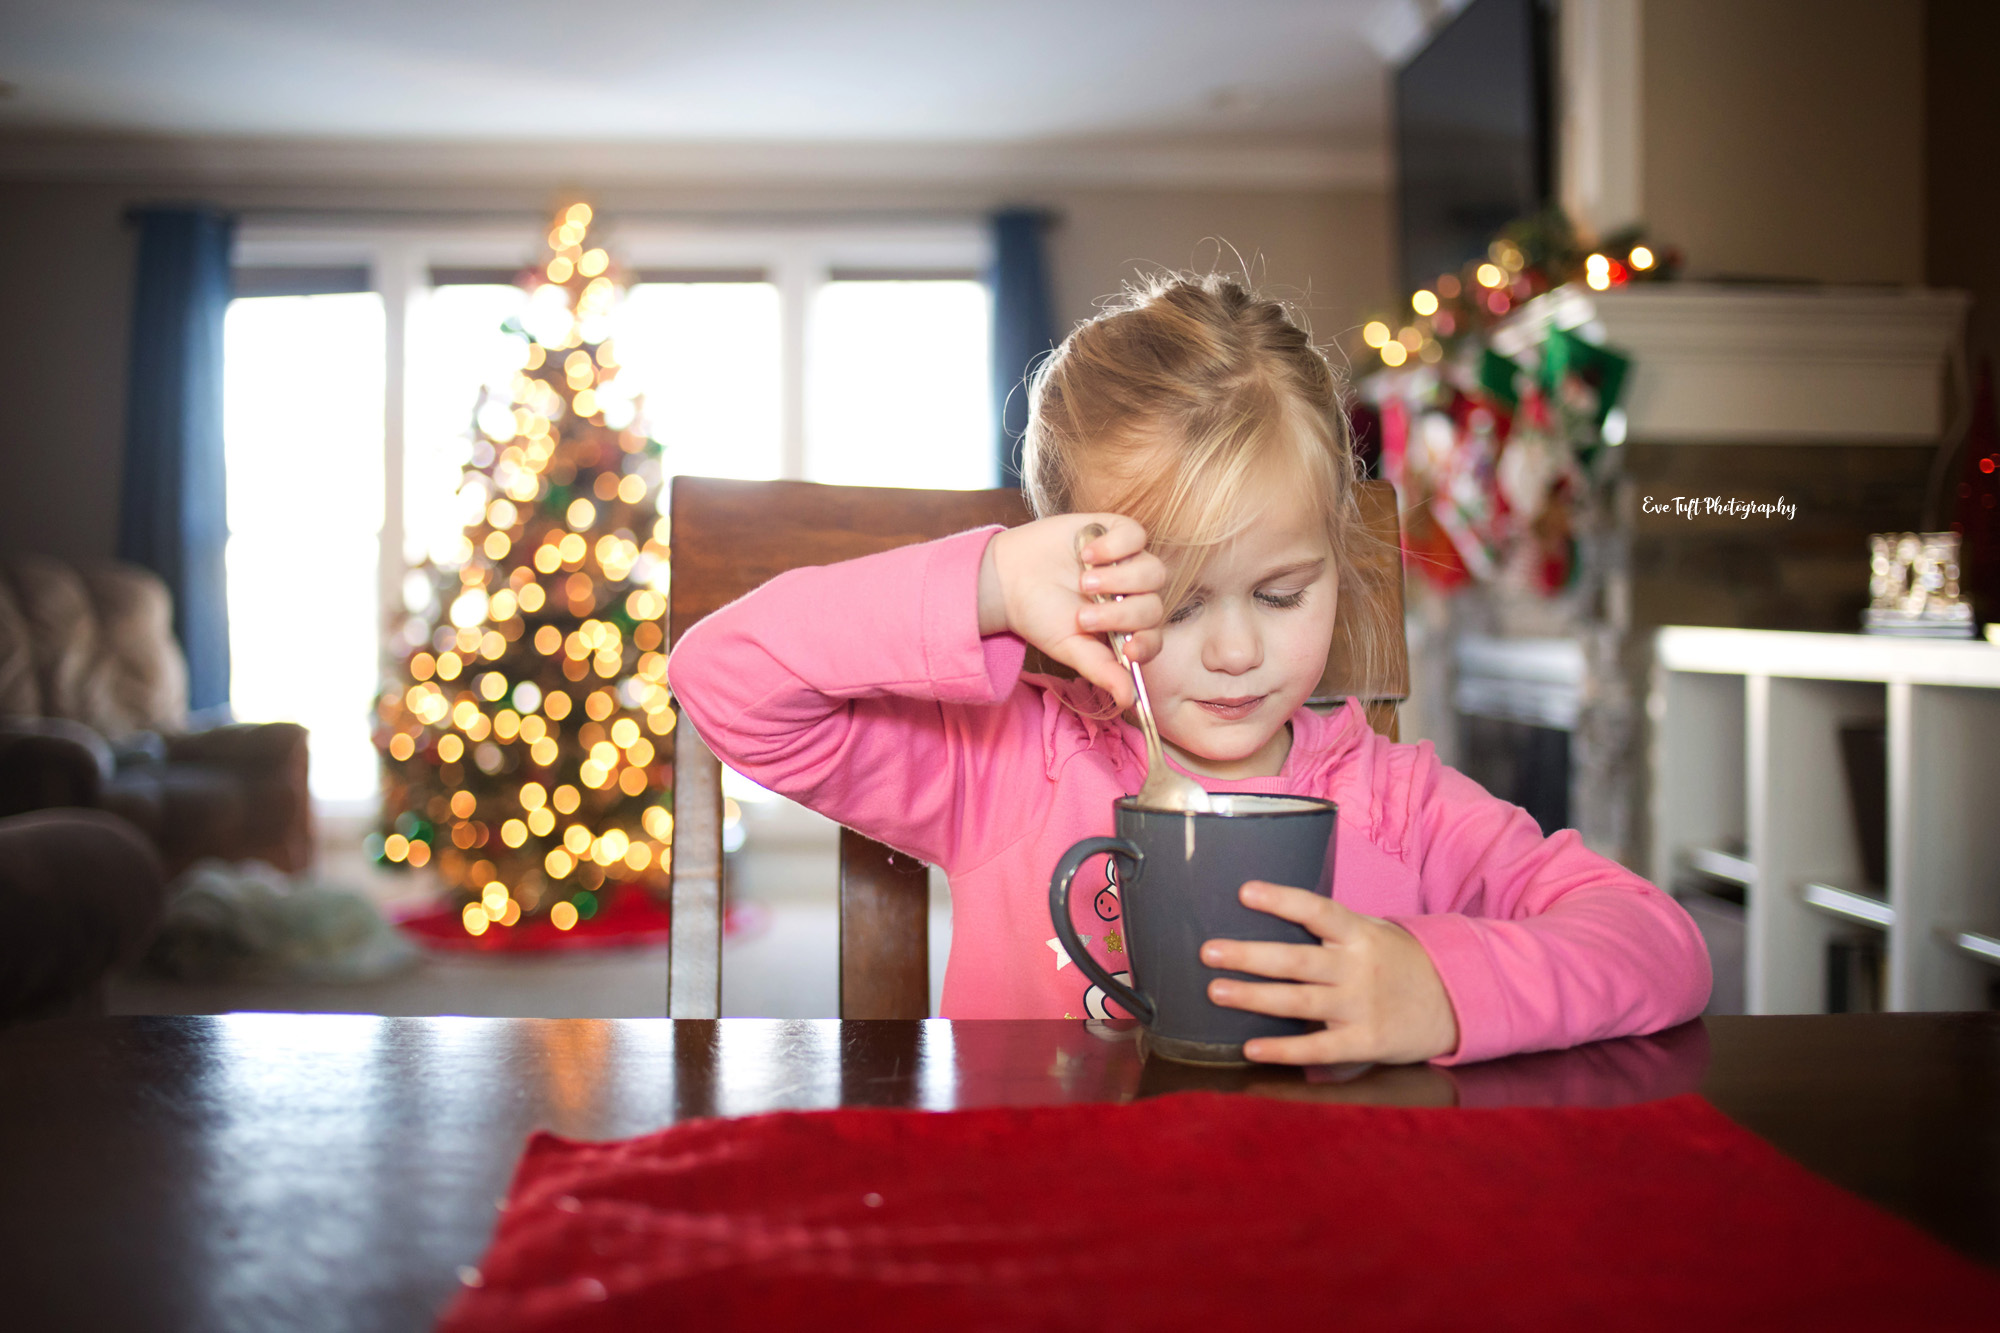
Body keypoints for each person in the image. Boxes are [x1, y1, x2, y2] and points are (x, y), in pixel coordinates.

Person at [666, 271, 1710, 1065]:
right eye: (1176, 602)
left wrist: (1441, 986)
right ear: (1077, 585)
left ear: (1335, 568)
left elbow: (1661, 946)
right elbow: (724, 680)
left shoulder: (1395, 803)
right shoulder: (1010, 765)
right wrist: (986, 584)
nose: (1234, 652)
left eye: (1278, 592)